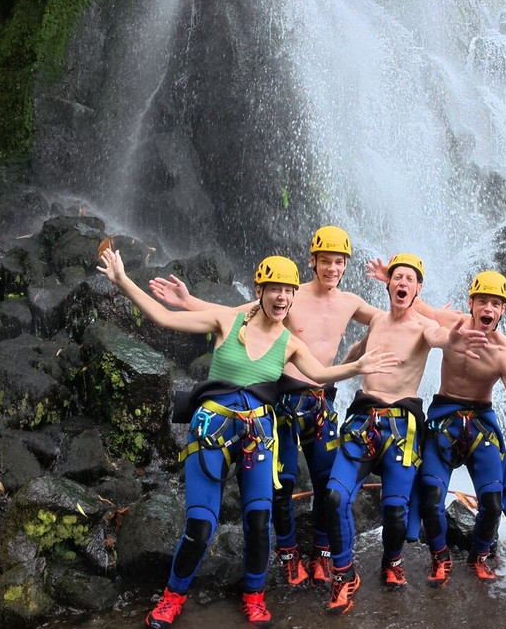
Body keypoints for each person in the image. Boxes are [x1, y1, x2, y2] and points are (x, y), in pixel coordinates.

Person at [98, 246, 396, 629]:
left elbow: (320, 375)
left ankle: (254, 596)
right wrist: (122, 280)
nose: (282, 298)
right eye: (275, 290)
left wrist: (358, 365)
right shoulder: (228, 320)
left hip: (258, 437)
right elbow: (164, 317)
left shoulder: (290, 343)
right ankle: (172, 597)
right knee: (201, 524)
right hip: (211, 432)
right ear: (260, 291)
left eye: (288, 291)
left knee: (258, 518)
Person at [150, 226, 380, 590]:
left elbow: (394, 320)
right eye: (325, 261)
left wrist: (394, 284)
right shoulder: (289, 294)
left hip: (322, 401)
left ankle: (321, 553)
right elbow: (234, 313)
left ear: (346, 265)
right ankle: (288, 554)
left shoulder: (351, 302)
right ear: (313, 261)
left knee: (325, 479)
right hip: (284, 399)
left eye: (339, 262)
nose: (332, 268)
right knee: (282, 483)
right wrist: (187, 301)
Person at [325, 253, 487, 614]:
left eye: (409, 279)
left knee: (396, 510)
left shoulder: (423, 327)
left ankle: (392, 561)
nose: (403, 283)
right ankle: (344, 573)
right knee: (335, 497)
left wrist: (457, 335)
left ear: (418, 289)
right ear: (388, 284)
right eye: (397, 277)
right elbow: (357, 351)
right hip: (362, 421)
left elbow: (440, 337)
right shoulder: (376, 320)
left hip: (401, 427)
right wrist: (331, 376)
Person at [413, 271, 506, 586]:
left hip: (481, 423)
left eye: (496, 303)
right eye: (482, 301)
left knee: (493, 501)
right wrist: (392, 280)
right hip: (444, 415)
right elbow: (420, 308)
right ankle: (440, 556)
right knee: (431, 495)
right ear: (471, 303)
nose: (488, 308)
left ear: (502, 310)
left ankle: (479, 555)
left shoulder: (503, 352)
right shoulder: (453, 324)